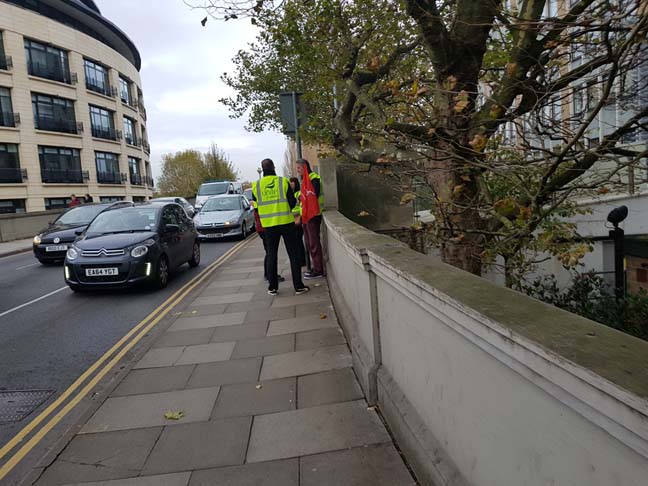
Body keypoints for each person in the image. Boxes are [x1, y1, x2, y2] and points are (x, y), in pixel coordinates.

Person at [252, 158, 309, 296]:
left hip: (269, 226)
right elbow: (292, 202)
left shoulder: (256, 186)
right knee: (293, 254)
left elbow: (257, 208)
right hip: (286, 223)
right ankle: (298, 286)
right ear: (273, 167)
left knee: (271, 255)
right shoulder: (283, 181)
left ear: (263, 169)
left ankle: (272, 287)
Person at [296, 159, 324, 279]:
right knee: (309, 243)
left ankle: (318, 270)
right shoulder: (305, 180)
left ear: (304, 168)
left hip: (313, 215)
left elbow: (312, 197)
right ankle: (315, 267)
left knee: (313, 243)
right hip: (307, 216)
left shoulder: (313, 178)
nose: (297, 171)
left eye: (299, 168)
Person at [253, 205, 285, 283]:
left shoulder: (257, 203)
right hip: (265, 228)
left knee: (269, 252)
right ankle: (270, 275)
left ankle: (268, 274)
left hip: (261, 228)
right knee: (270, 253)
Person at [289, 177, 308, 269]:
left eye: (293, 183)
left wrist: (299, 217)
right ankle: (300, 259)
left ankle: (302, 260)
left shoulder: (298, 194)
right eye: (290, 183)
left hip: (298, 218)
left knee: (299, 240)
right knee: (296, 241)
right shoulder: (289, 194)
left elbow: (301, 206)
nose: (291, 184)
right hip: (291, 219)